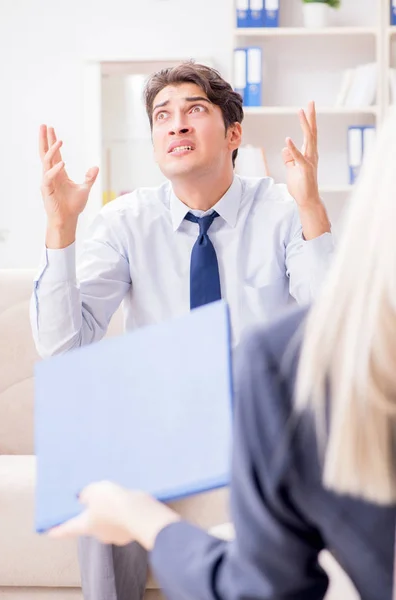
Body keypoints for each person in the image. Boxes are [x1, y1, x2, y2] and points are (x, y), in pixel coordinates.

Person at [47, 108, 396, 600]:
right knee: (99, 454)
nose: (177, 125)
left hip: (256, 414)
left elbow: (334, 328)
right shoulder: (124, 220)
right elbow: (66, 347)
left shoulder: (281, 206)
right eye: (162, 116)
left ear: (234, 134)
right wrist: (61, 230)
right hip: (163, 418)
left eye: (194, 111)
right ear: (154, 144)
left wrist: (310, 204)